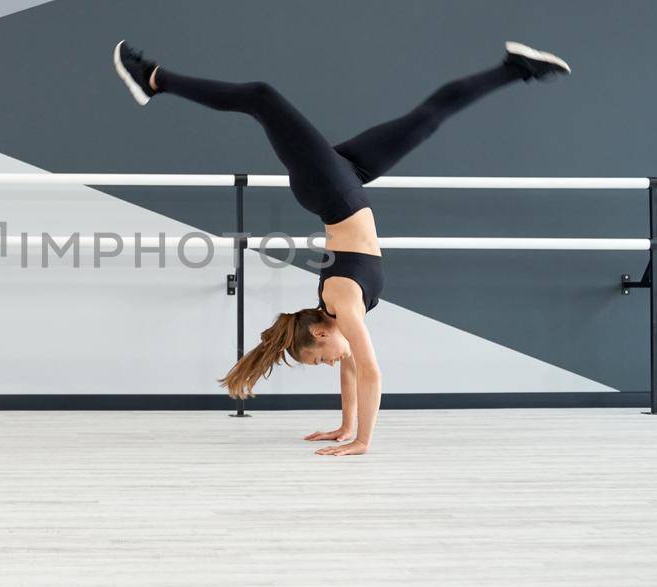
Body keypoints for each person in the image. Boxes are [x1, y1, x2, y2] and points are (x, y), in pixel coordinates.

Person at [111, 38, 570, 455]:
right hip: (349, 181)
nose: (326, 363)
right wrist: (345, 427)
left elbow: (370, 373)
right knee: (427, 120)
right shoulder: (341, 319)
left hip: (331, 191)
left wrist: (363, 441)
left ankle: (153, 80)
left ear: (321, 332)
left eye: (316, 357)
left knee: (262, 96)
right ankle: (516, 68)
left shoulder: (341, 302)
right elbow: (352, 370)